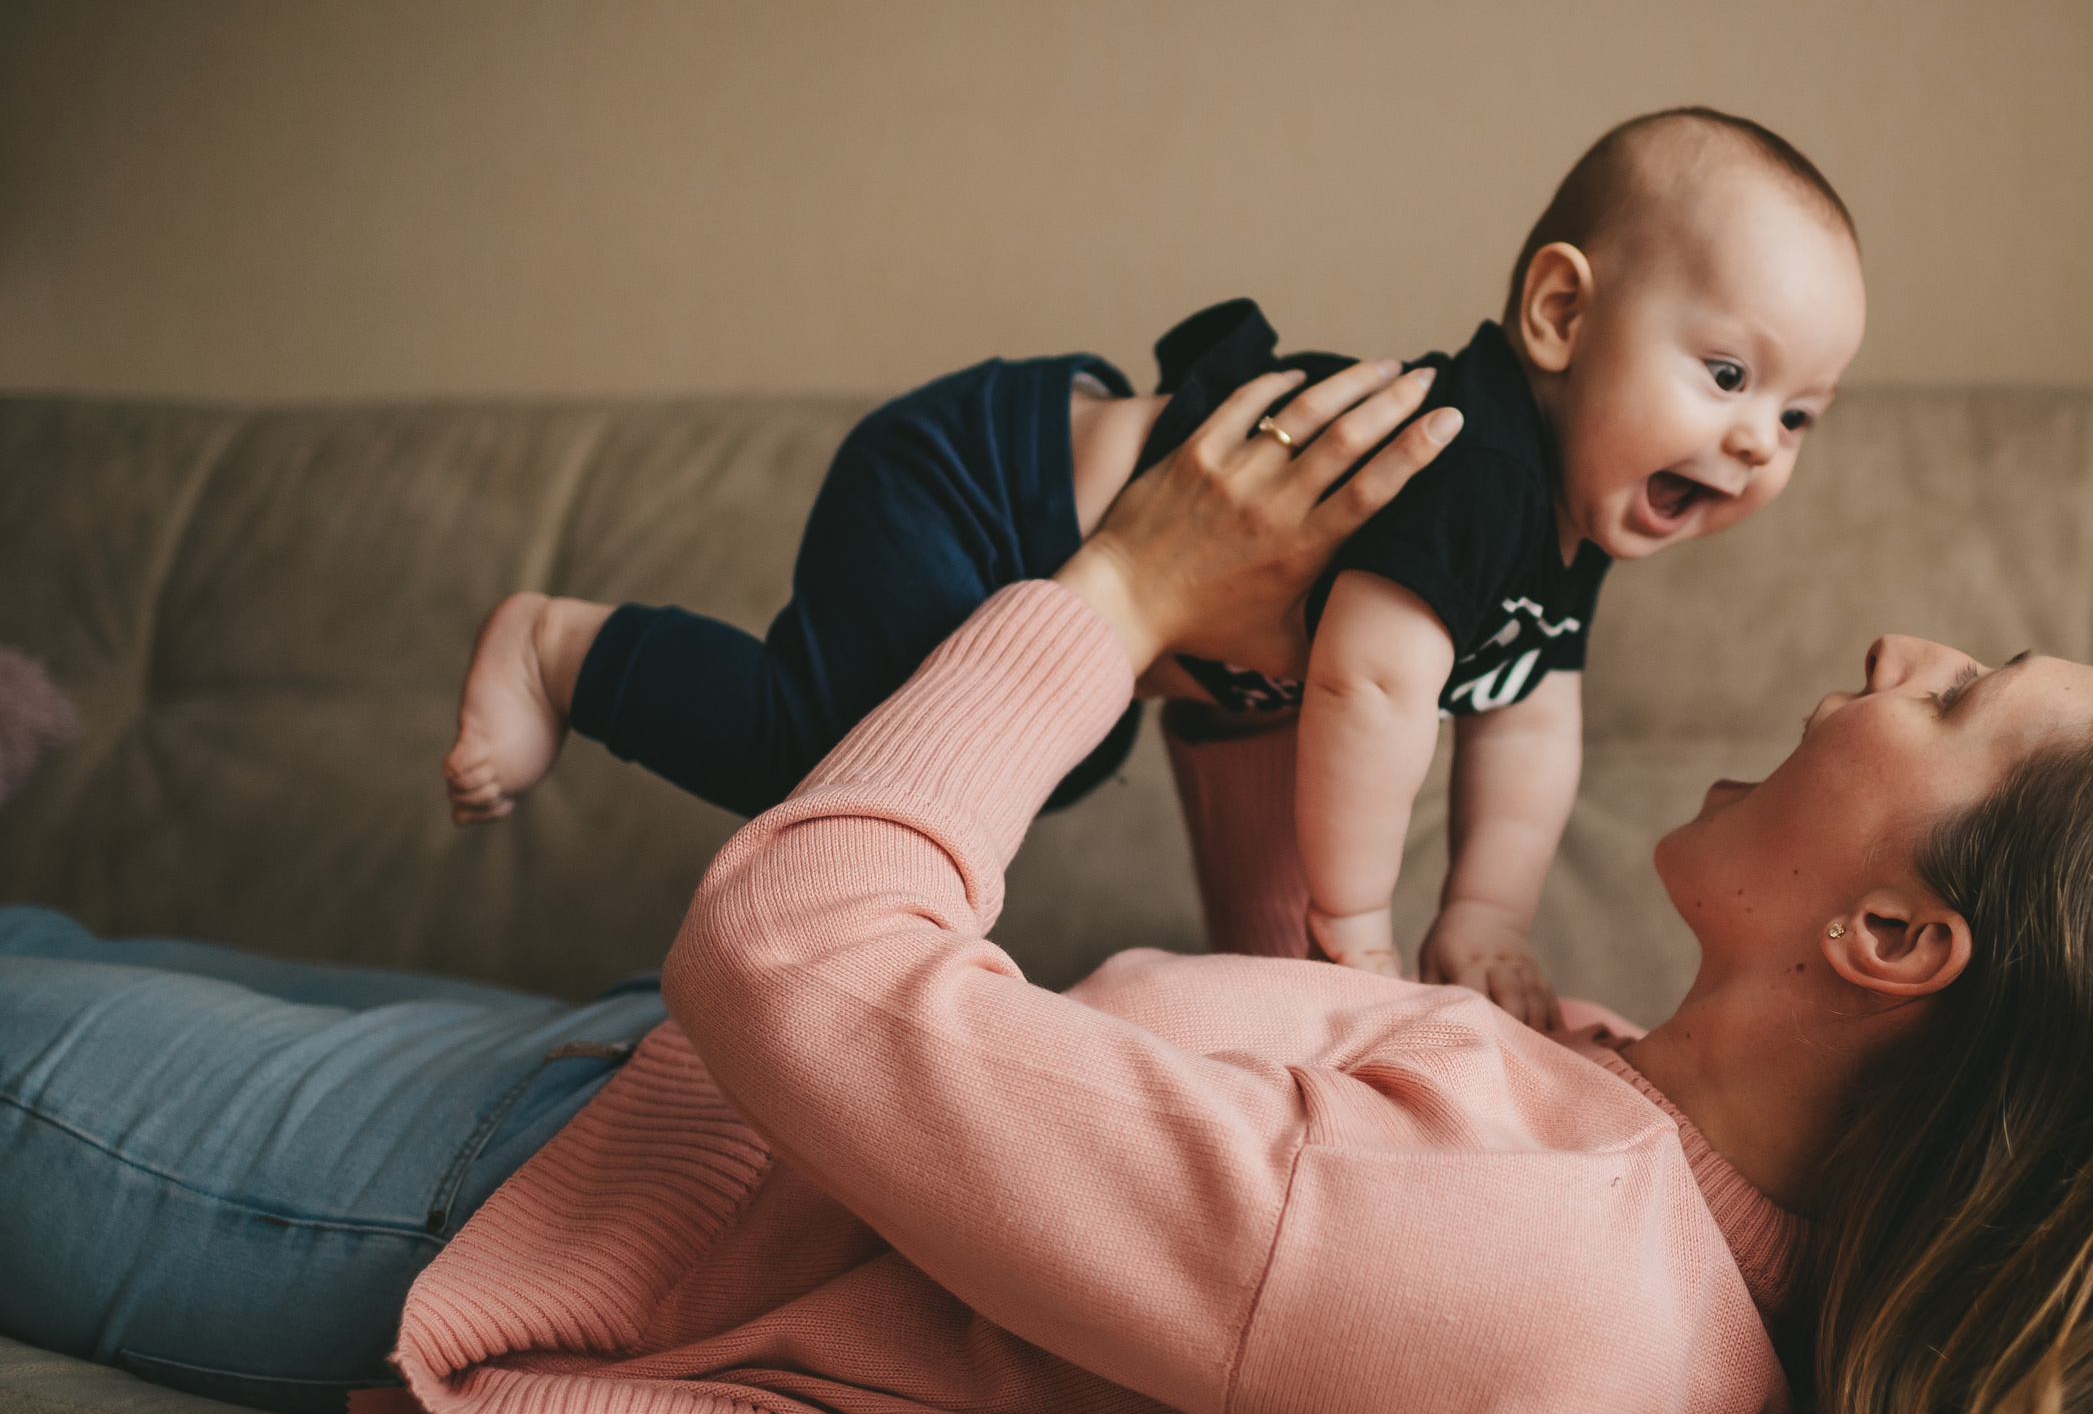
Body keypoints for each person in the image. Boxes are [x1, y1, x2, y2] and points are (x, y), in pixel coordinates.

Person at [0, 366, 2093, 1414]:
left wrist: (1122, 588)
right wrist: (1256, 686)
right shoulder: (1627, 1143)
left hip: (511, 1191)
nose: (1888, 647)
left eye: (1957, 692)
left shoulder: (1536, 1266)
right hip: (624, 1098)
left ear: (1895, 939)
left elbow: (790, 944)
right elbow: (1251, 1079)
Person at [441, 106, 1868, 1031]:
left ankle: (1287, 979)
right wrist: (1365, 928)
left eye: (1799, 416)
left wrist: (1486, 916)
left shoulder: (1573, 527)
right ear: (1559, 314)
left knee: (1215, 757)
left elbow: (1531, 716)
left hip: (1190, 628)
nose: (1759, 441)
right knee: (820, 748)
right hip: (983, 491)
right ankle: (566, 648)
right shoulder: (1476, 464)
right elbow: (1373, 690)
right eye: (1728, 375)